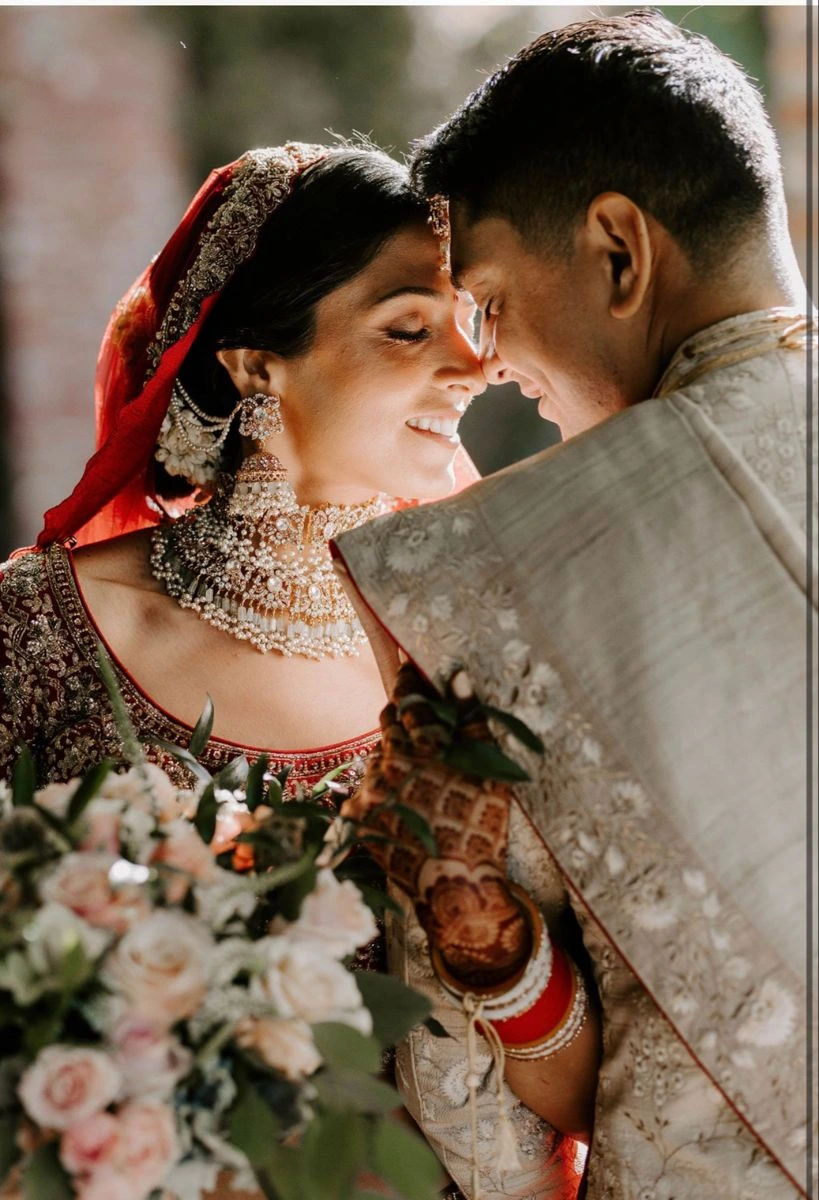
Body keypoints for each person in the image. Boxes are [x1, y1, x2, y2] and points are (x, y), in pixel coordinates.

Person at [334, 11, 815, 1200]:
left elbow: (489, 1119)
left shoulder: (489, 580)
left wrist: (471, 948)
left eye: (487, 301)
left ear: (617, 251)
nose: (483, 361)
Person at [0, 142, 514, 1198]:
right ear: (254, 363)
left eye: (473, 324)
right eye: (409, 328)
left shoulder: (476, 649)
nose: (471, 368)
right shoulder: (38, 625)